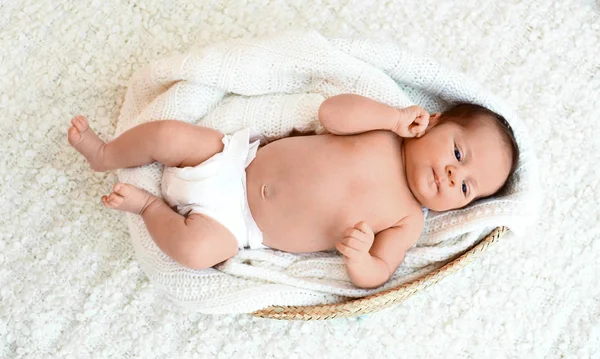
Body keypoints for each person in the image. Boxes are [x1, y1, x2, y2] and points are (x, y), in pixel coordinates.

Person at [67, 94, 518, 289]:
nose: (451, 175)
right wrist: (392, 117)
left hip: (236, 225)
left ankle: (148, 207)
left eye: (465, 188)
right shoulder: (387, 132)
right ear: (433, 122)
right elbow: (331, 113)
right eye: (458, 152)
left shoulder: (408, 218)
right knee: (169, 135)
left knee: (195, 248)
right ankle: (106, 153)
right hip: (232, 160)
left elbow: (381, 271)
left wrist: (362, 259)